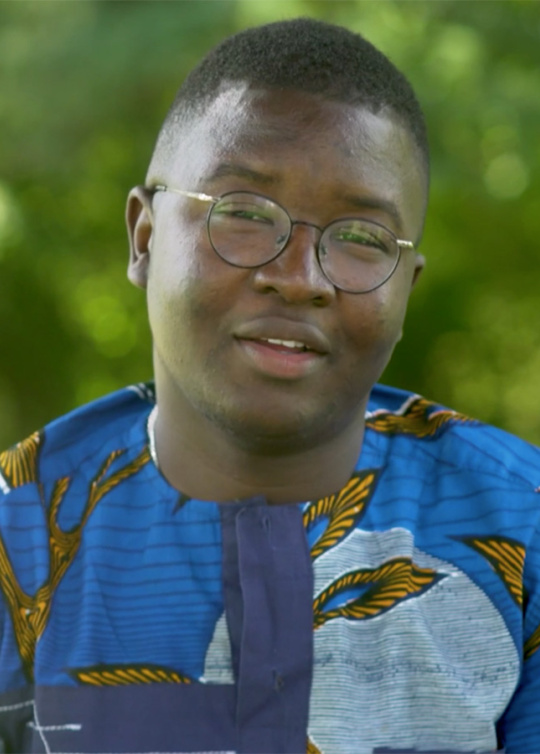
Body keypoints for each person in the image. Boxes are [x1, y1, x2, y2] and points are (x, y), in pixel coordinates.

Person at [1, 16, 540, 754]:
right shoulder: (17, 541)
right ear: (145, 238)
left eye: (359, 239)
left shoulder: (524, 532)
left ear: (406, 291)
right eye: (246, 215)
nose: (298, 278)